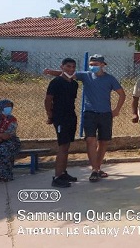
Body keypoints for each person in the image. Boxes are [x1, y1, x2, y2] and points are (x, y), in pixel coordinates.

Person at [45, 54, 126, 182]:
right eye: (91, 64)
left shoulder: (110, 79)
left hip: (105, 114)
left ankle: (97, 168)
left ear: (103, 65)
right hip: (89, 114)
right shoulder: (85, 75)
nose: (93, 66)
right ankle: (93, 170)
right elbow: (67, 74)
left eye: (96, 64)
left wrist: (116, 110)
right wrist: (50, 72)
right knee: (90, 141)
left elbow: (122, 94)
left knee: (103, 142)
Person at [44, 58, 80, 188]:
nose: (71, 69)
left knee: (67, 146)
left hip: (71, 117)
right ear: (62, 67)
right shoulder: (56, 82)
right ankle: (57, 177)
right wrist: (50, 115)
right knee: (62, 146)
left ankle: (63, 173)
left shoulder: (74, 84)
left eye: (73, 67)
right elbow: (48, 100)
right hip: (60, 118)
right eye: (68, 66)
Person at [0, 100, 21, 182]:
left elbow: (7, 136)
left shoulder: (11, 119)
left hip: (10, 142)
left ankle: (6, 175)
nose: (9, 109)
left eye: (10, 107)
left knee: (2, 148)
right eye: (6, 107)